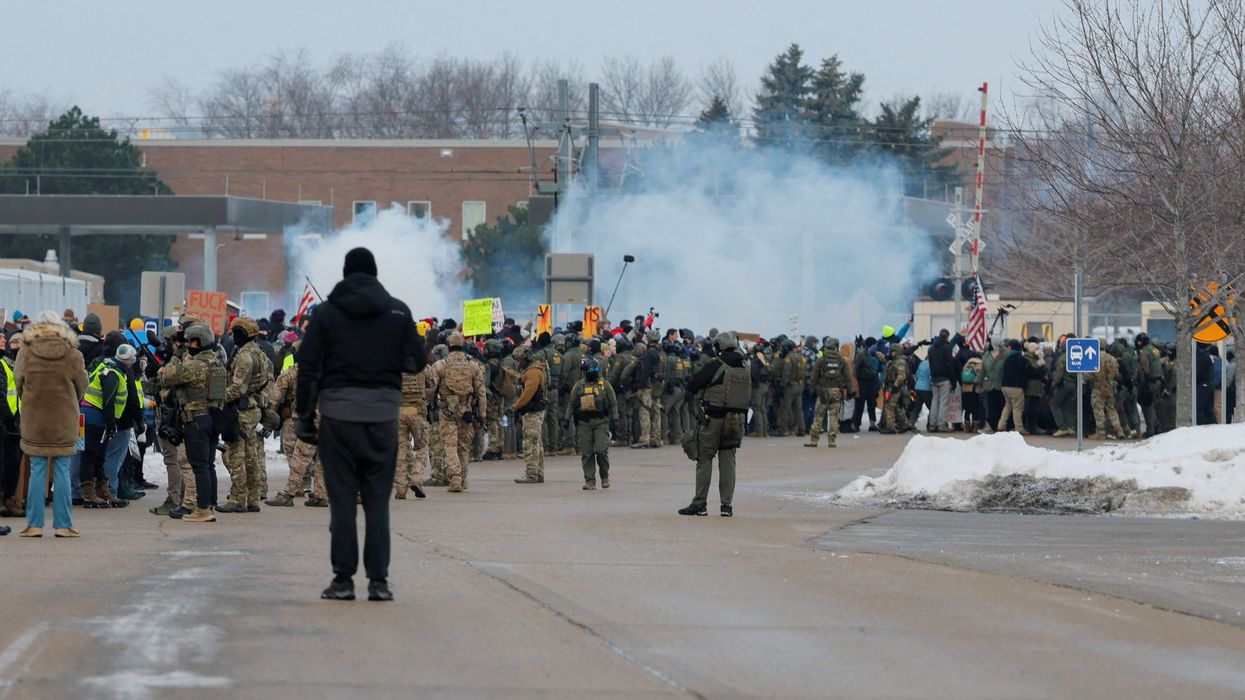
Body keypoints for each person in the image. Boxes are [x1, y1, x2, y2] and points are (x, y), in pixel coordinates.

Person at [296, 247, 425, 602]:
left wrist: (305, 419)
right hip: (382, 417)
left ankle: (342, 580)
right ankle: (379, 582)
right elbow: (416, 361)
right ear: (375, 272)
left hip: (338, 418)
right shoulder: (398, 311)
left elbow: (307, 369)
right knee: (376, 503)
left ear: (345, 272)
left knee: (341, 503)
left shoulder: (324, 314)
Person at [14, 311, 89, 537]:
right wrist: (70, 401)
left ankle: (35, 524)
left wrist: (29, 400)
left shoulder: (26, 353)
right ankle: (63, 525)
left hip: (35, 419)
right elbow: (82, 386)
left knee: (37, 469)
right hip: (64, 419)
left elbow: (18, 382)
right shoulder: (73, 354)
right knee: (62, 470)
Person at [158, 323, 225, 523]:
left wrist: (176, 354)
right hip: (213, 417)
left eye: (190, 341)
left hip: (196, 418)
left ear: (198, 342)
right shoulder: (217, 364)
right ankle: (209, 503)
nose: (187, 345)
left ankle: (202, 509)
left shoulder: (196, 365)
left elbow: (169, 376)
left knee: (199, 465)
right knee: (208, 464)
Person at [679, 332, 750, 517]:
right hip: (736, 422)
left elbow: (694, 384)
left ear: (719, 346)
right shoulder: (745, 367)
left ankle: (700, 504)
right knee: (728, 463)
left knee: (704, 460)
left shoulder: (716, 365)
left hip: (714, 420)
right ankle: (726, 506)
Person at [219, 317, 273, 513]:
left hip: (241, 411)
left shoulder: (244, 356)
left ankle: (238, 498)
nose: (232, 335)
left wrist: (217, 399)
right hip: (254, 410)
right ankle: (253, 498)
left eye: (235, 332)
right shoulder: (259, 353)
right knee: (252, 457)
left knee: (234, 455)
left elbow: (237, 388)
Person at [428, 332, 486, 493]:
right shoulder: (473, 365)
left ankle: (454, 478)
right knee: (463, 445)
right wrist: (482, 415)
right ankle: (463, 478)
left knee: (450, 445)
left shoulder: (441, 364)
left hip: (447, 410)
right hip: (467, 410)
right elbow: (481, 393)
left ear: (449, 345)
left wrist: (430, 405)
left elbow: (431, 388)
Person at [565, 358, 617, 490]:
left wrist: (615, 419)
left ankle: (604, 476)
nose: (590, 373)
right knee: (587, 452)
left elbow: (613, 402)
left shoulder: (604, 385)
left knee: (601, 450)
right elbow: (571, 404)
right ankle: (589, 480)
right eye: (588, 371)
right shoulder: (579, 386)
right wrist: (566, 419)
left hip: (601, 422)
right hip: (584, 423)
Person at [805, 337, 853, 448]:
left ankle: (814, 440)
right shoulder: (841, 360)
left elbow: (814, 377)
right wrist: (849, 391)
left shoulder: (821, 360)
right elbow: (848, 377)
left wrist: (812, 390)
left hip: (823, 391)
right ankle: (832, 441)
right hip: (836, 391)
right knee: (834, 416)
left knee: (818, 416)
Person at [512, 346, 548, 484]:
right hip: (534, 410)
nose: (518, 363)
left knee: (531, 442)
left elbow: (528, 394)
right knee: (537, 442)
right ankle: (538, 472)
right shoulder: (534, 370)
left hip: (532, 411)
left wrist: (515, 406)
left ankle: (531, 473)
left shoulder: (532, 372)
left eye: (520, 360)